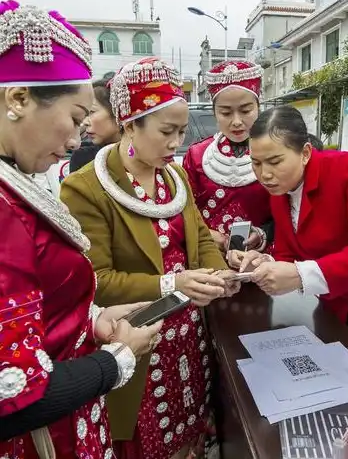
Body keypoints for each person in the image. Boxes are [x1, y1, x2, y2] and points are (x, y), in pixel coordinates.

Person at [0, 0, 162, 459]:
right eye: (73, 118)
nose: (76, 140)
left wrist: (90, 321)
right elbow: (11, 393)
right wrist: (118, 358)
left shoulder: (16, 186)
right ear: (18, 99)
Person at [61, 56, 241, 459]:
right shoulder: (85, 188)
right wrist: (172, 284)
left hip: (188, 335)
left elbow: (199, 239)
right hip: (137, 340)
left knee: (190, 427)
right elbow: (96, 280)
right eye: (166, 132)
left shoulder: (175, 178)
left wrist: (218, 273)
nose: (176, 143)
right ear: (129, 124)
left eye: (181, 131)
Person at [228, 105, 348, 350]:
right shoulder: (280, 192)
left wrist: (298, 275)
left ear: (305, 153)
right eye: (256, 163)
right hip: (334, 309)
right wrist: (262, 264)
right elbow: (289, 255)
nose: (265, 175)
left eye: (275, 161)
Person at [183, 60, 273, 253]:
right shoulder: (196, 155)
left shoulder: (275, 152)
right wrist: (210, 237)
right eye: (225, 112)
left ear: (259, 107)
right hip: (209, 256)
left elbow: (288, 210)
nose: (237, 121)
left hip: (264, 259)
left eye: (246, 110)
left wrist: (263, 234)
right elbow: (186, 212)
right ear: (214, 113)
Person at [69, 78, 120, 173]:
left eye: (92, 112)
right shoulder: (83, 156)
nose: (85, 122)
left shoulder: (146, 155)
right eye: (85, 113)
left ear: (117, 113)